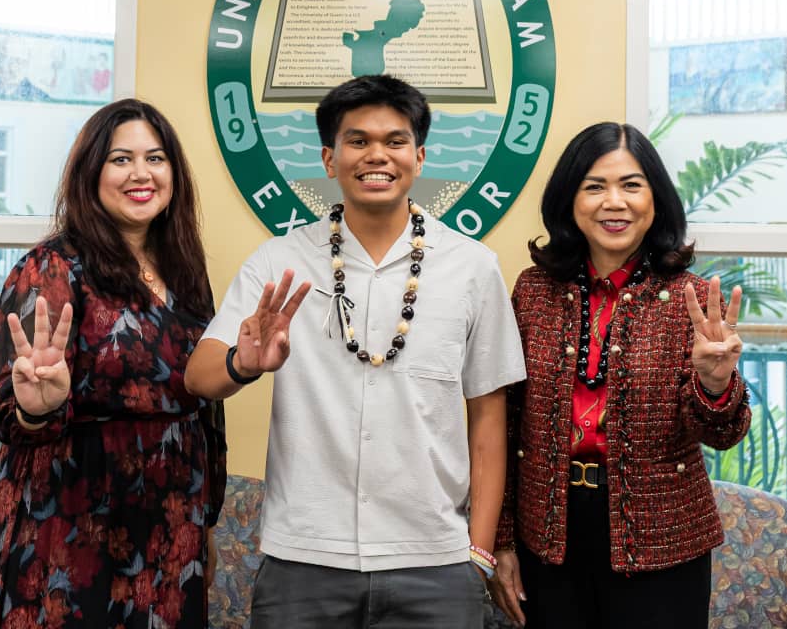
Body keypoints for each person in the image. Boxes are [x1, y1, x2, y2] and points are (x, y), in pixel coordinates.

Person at [185, 74, 526, 629]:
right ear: (328, 158)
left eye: (395, 141)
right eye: (357, 140)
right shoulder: (279, 261)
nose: (377, 155)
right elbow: (200, 376)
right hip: (303, 561)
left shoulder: (472, 266)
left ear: (418, 156)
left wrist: (478, 553)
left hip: (434, 561)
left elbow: (489, 415)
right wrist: (242, 363)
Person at [0, 99, 225, 628]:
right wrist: (35, 408)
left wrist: (204, 518)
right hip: (66, 531)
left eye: (156, 158)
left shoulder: (185, 269)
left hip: (168, 527)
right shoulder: (52, 267)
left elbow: (202, 399)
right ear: (91, 172)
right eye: (121, 159)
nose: (141, 173)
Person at [491, 122, 751, 629]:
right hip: (548, 538)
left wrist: (715, 385)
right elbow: (503, 422)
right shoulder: (532, 291)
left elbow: (723, 435)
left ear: (657, 199)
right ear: (570, 199)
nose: (614, 202)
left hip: (664, 543)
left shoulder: (692, 300)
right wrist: (500, 540)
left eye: (632, 185)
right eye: (594, 186)